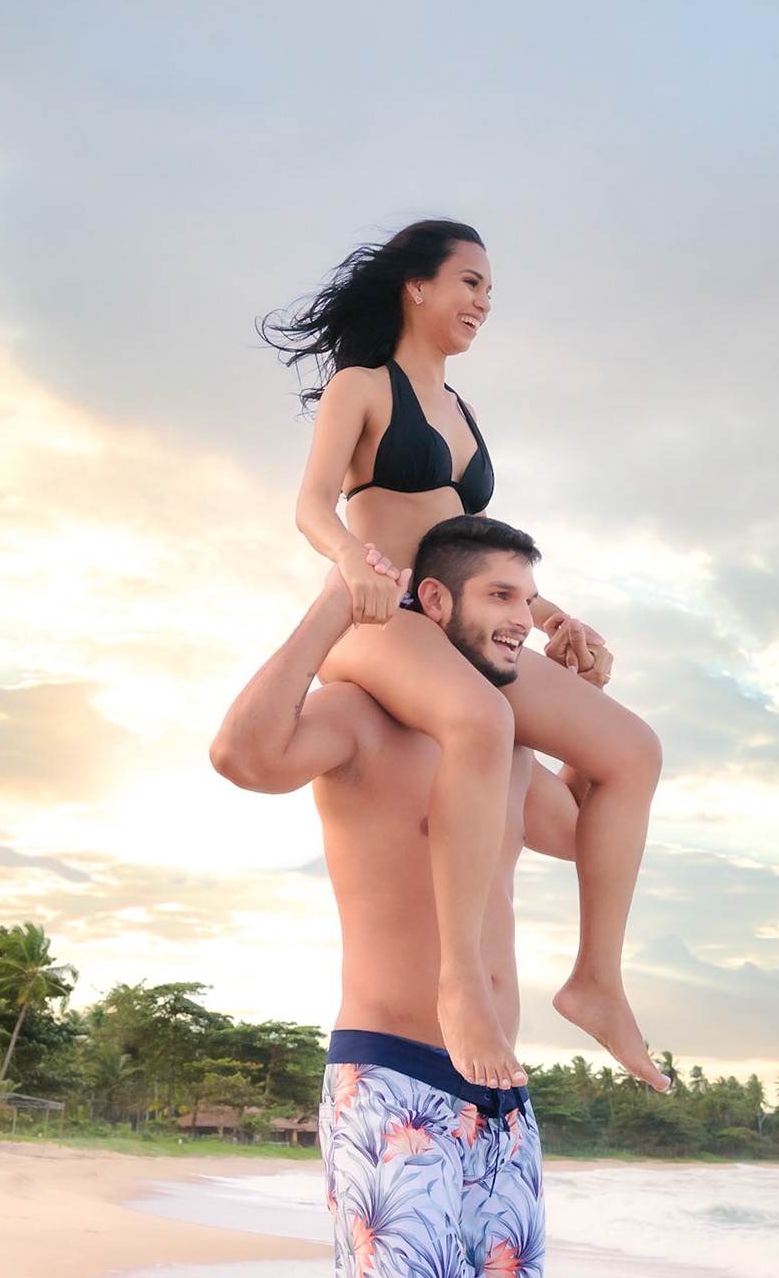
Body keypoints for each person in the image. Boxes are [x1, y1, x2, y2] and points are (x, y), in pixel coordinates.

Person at [259, 220, 668, 1092]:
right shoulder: (364, 387)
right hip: (379, 618)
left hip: (454, 615)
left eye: (490, 290)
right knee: (483, 717)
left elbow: (464, 543)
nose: (484, 303)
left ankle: (597, 982)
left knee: (633, 750)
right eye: (470, 283)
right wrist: (348, 564)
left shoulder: (464, 411)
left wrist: (549, 615)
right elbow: (310, 503)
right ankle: (458, 986)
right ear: (417, 285)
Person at [210, 515, 601, 1277]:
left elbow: (581, 832)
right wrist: (333, 609)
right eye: (500, 596)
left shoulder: (506, 747)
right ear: (437, 601)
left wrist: (579, 708)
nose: (523, 619)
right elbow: (241, 756)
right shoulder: (361, 715)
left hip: (502, 1098)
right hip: (395, 1077)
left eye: (529, 599)